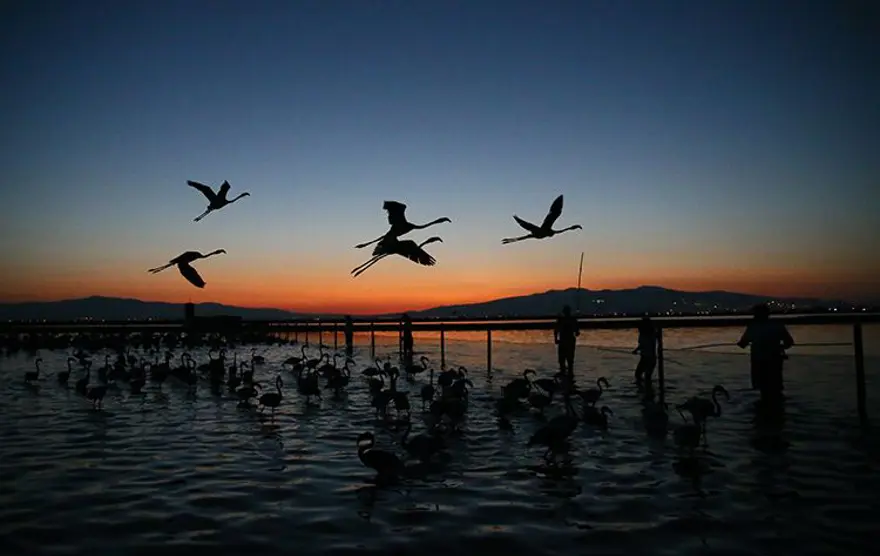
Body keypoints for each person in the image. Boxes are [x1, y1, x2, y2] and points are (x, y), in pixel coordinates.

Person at [737, 303, 794, 407]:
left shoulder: (753, 327)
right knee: (776, 388)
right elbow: (789, 342)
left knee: (764, 390)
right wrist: (780, 347)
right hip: (775, 361)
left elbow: (743, 344)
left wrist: (741, 343)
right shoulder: (777, 325)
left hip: (759, 361)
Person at [554, 305, 579, 384]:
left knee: (563, 362)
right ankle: (569, 379)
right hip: (569, 342)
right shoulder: (573, 320)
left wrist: (556, 339)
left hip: (564, 342)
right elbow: (577, 332)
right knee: (569, 361)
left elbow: (556, 330)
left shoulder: (561, 320)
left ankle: (564, 378)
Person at [632, 316, 657, 387]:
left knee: (644, 376)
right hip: (645, 358)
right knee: (640, 375)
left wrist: (636, 350)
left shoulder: (650, 335)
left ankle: (645, 390)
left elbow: (644, 345)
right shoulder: (644, 334)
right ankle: (645, 390)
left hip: (649, 358)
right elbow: (642, 345)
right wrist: (636, 350)